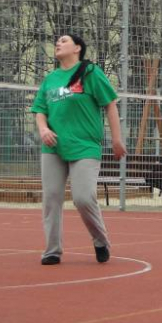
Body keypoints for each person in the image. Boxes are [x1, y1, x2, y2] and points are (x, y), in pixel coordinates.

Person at [31, 34, 126, 266]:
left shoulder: (90, 73)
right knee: (51, 197)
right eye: (57, 42)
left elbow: (110, 103)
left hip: (84, 145)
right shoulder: (51, 79)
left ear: (77, 48)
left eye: (64, 41)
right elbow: (40, 109)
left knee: (83, 198)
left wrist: (116, 139)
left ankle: (100, 240)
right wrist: (43, 129)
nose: (58, 44)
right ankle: (52, 250)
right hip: (53, 146)